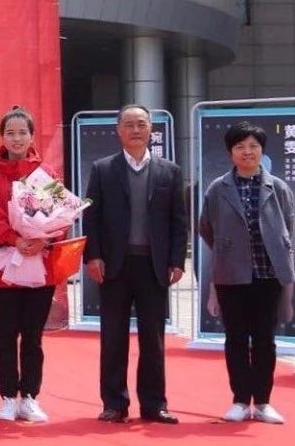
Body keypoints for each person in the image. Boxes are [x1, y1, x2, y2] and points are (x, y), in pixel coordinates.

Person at [82, 103, 188, 424]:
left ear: (151, 129)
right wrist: (93, 255)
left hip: (154, 266)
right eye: (129, 124)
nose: (136, 130)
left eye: (141, 124)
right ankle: (114, 403)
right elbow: (92, 217)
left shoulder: (170, 171)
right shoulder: (103, 169)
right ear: (118, 130)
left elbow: (179, 221)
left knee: (153, 339)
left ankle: (154, 405)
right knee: (113, 337)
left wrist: (176, 260)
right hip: (115, 265)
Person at [199, 121, 295, 425]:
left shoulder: (278, 188)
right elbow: (206, 228)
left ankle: (263, 402)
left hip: (268, 275)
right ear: (231, 152)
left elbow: (289, 226)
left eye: (253, 146)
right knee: (236, 339)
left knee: (265, 340)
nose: (247, 151)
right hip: (231, 276)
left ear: (262, 150)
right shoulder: (218, 189)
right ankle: (240, 400)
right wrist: (229, 249)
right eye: (240, 146)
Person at [0, 107, 58, 423]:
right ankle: (8, 397)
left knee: (33, 337)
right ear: (2, 137)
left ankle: (30, 397)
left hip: (39, 265)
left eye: (23, 132)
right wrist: (14, 238)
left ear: (32, 136)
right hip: (2, 269)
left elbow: (59, 216)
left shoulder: (46, 174)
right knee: (5, 335)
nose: (17, 138)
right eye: (10, 133)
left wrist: (43, 239)